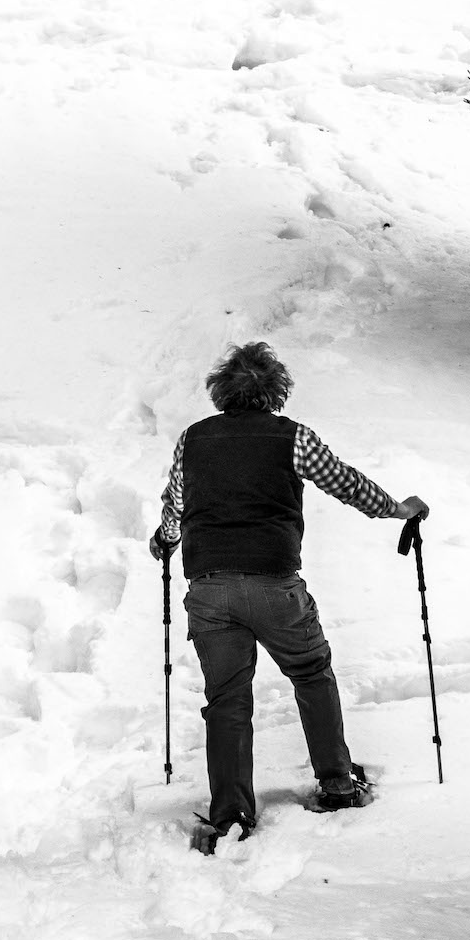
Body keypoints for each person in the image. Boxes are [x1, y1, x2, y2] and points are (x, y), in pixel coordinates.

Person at [149, 339, 428, 853]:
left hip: (209, 589)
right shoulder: (292, 438)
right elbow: (346, 483)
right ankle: (338, 783)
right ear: (276, 390)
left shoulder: (193, 440)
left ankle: (231, 814)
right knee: (311, 673)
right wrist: (398, 509)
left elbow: (176, 505)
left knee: (227, 700)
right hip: (275, 586)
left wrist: (165, 541)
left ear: (221, 392)